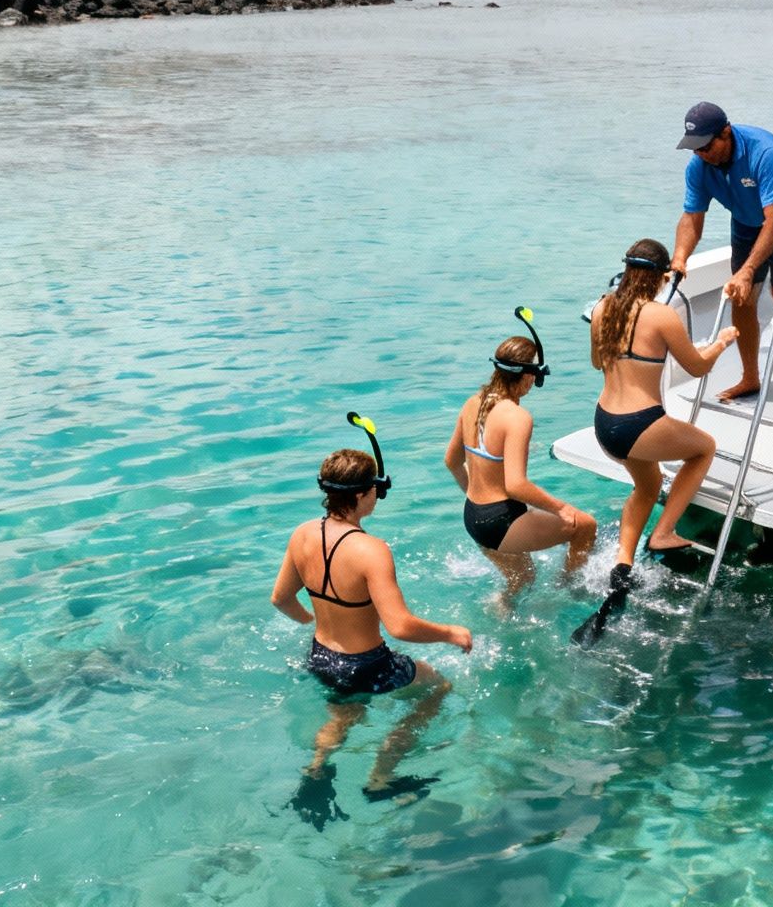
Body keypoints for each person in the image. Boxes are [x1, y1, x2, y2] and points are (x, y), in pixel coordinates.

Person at [270, 447, 471, 815]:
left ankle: (316, 771)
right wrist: (450, 633)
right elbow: (399, 625)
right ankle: (381, 777)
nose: (379, 493)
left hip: (321, 658)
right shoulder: (371, 550)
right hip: (368, 665)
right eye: (376, 487)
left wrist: (312, 623)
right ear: (361, 494)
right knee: (437, 689)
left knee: (344, 713)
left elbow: (281, 598)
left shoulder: (302, 535)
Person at [590, 238, 738, 569]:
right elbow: (698, 367)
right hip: (639, 423)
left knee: (649, 485)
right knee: (703, 449)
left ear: (626, 271)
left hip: (604, 425)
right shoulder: (662, 316)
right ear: (661, 277)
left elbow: (597, 363)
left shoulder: (602, 308)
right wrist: (721, 343)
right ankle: (663, 532)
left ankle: (623, 562)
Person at [444, 325, 597, 611]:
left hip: (473, 517)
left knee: (524, 577)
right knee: (585, 525)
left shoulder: (472, 403)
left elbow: (451, 461)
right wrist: (560, 508)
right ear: (527, 376)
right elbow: (516, 485)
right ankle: (569, 592)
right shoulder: (517, 417)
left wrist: (475, 495)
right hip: (501, 520)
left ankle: (501, 605)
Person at [671, 100, 773, 402]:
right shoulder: (699, 167)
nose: (700, 154)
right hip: (747, 221)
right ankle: (750, 377)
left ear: (726, 133)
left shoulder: (765, 152)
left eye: (706, 147)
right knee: (741, 297)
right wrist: (679, 259)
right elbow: (691, 219)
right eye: (694, 148)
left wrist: (748, 271)